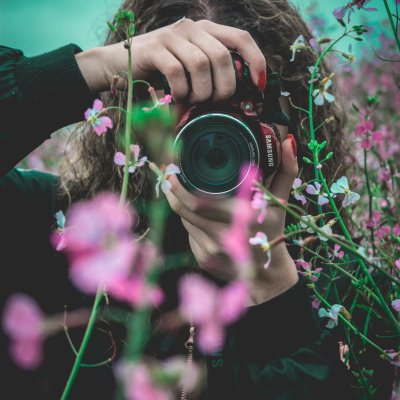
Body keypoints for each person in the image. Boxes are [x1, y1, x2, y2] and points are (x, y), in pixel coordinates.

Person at [0, 0, 361, 399]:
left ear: (298, 114)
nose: (217, 133)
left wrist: (272, 285)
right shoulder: (57, 228)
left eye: (247, 105)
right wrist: (93, 68)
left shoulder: (348, 283)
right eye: (183, 103)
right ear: (132, 117)